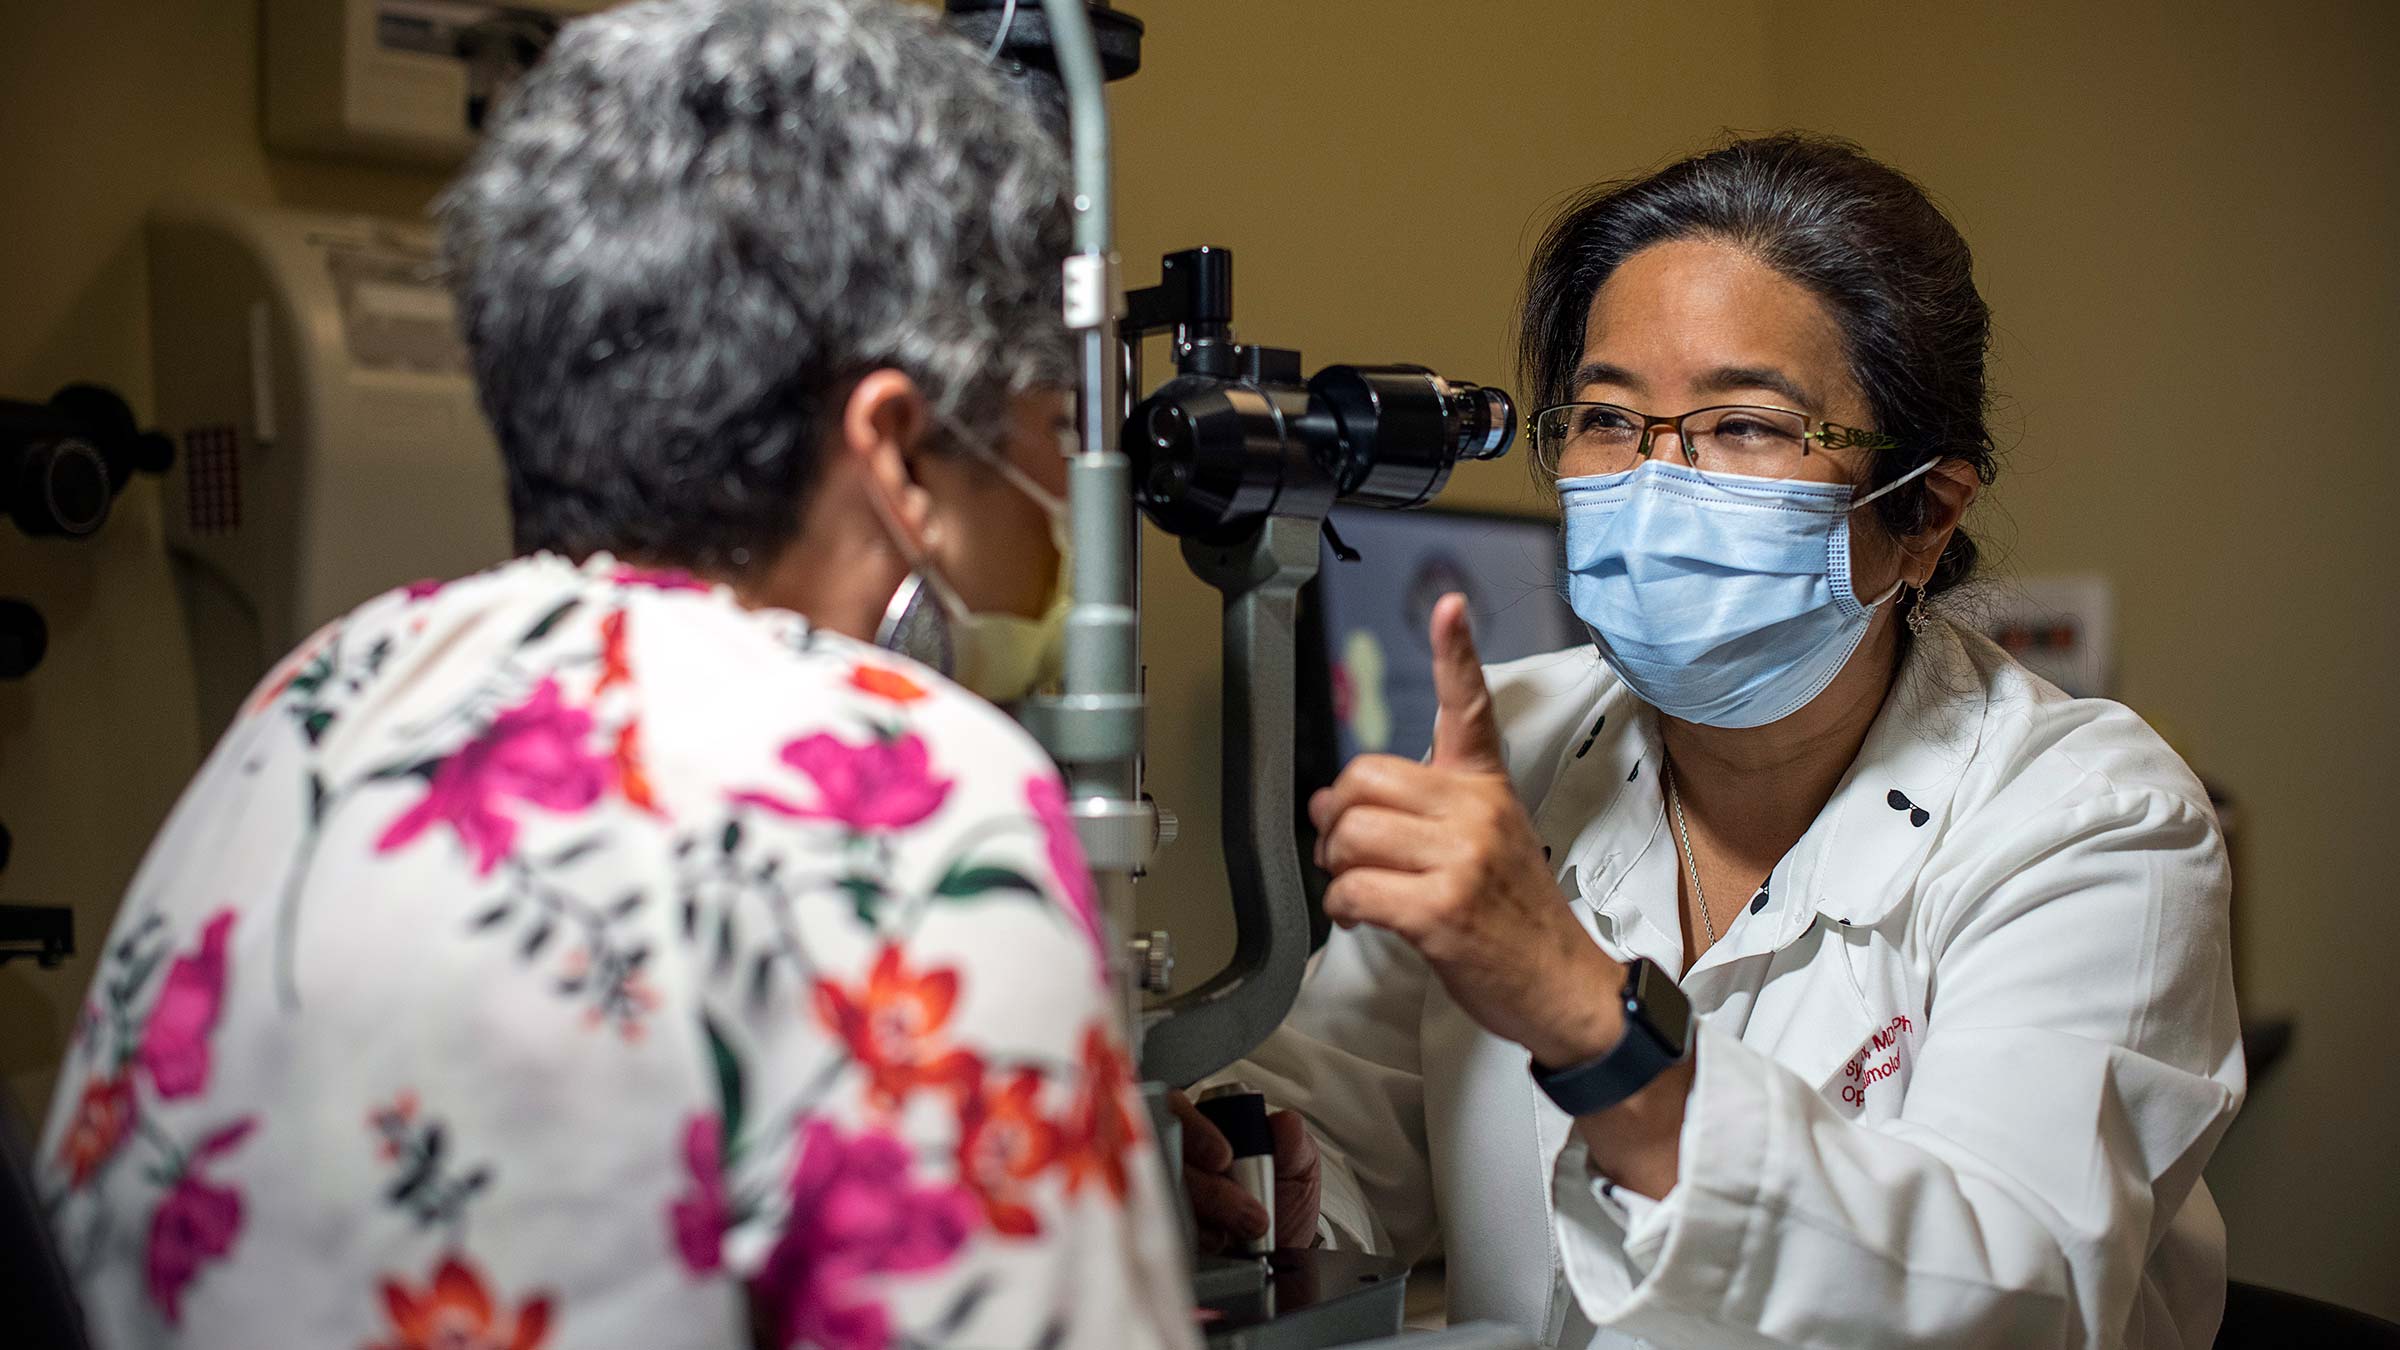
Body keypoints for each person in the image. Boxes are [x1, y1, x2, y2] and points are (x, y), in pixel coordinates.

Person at [36, 2, 1197, 1347]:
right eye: (1053, 427)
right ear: (899, 451)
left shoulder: (310, 705)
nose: (1060, 490)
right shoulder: (903, 792)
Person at [1178, 135, 2244, 1349]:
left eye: (1744, 425)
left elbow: (2008, 1296)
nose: (1653, 484)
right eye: (1608, 417)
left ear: (1923, 517)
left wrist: (1585, 1015)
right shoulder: (1516, 739)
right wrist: (1251, 1183)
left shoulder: (2093, 823)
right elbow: (1344, 1127)